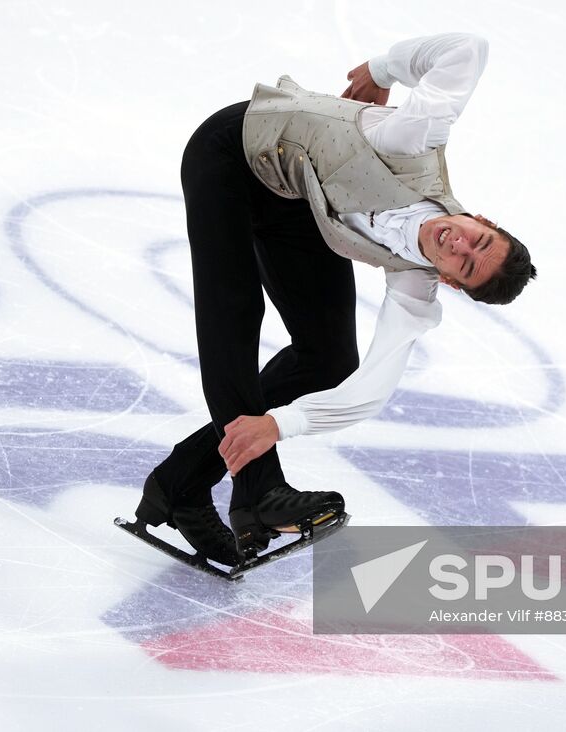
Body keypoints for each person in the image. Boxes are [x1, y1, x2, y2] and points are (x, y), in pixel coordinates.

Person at [132, 32, 537, 566]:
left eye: (464, 262)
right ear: (481, 220)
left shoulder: (416, 281)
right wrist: (385, 68)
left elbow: (371, 387)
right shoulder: (412, 140)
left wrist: (280, 423)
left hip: (295, 198)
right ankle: (256, 491)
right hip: (232, 151)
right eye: (477, 238)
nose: (458, 244)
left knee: (329, 358)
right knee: (234, 308)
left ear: (453, 283)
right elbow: (469, 48)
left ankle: (182, 479)